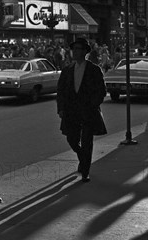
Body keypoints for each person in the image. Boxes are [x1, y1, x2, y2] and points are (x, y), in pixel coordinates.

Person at [57, 37, 107, 183]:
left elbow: (101, 91)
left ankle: (85, 171)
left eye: (79, 49)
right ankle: (82, 156)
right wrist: (60, 108)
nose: (75, 52)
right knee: (71, 139)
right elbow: (61, 91)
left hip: (87, 112)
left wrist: (93, 105)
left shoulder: (94, 69)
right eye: (74, 49)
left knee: (87, 142)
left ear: (85, 52)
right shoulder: (67, 70)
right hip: (71, 112)